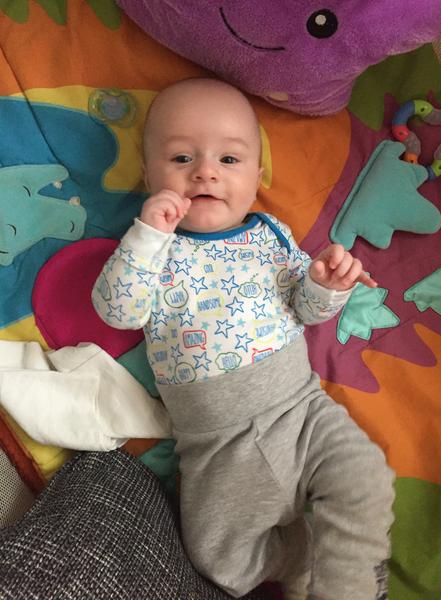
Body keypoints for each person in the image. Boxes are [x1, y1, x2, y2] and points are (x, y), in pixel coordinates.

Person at [92, 77, 394, 600]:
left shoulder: (271, 235)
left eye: (228, 160)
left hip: (302, 413)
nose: (205, 171)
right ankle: (302, 556)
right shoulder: (150, 251)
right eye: (181, 158)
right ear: (148, 174)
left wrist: (327, 285)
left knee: (365, 479)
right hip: (217, 446)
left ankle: (348, 587)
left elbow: (307, 311)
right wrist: (147, 234)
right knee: (218, 561)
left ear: (257, 176)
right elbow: (117, 311)